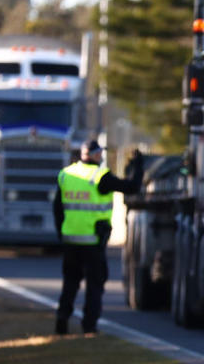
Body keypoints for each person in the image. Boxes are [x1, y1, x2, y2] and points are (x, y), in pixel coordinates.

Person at [53, 140, 143, 335]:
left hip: (70, 239)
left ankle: (62, 319)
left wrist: (61, 232)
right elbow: (132, 187)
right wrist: (138, 165)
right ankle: (89, 326)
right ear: (94, 155)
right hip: (93, 241)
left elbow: (57, 208)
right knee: (95, 285)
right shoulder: (100, 176)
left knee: (70, 283)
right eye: (100, 153)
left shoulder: (66, 174)